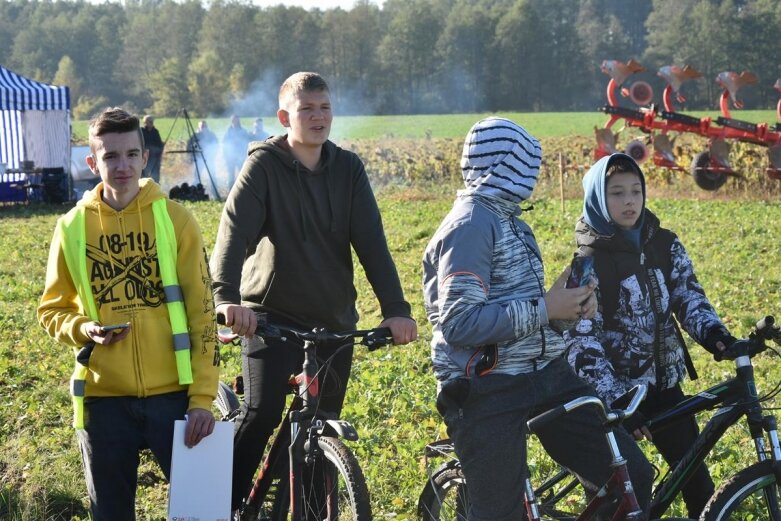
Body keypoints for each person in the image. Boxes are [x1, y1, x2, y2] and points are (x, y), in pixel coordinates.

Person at [422, 117, 653, 521]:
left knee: (630, 476)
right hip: (487, 387)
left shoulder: (513, 221)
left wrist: (568, 310)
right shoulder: (470, 226)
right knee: (500, 513)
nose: (534, 171)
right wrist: (547, 308)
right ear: (503, 163)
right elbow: (459, 323)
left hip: (547, 373)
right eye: (526, 160)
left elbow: (533, 314)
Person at [210, 71, 418, 512]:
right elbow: (233, 233)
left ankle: (303, 507)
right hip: (270, 317)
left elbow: (373, 245)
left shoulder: (348, 169)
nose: (318, 116)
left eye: (325, 107)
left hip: (333, 323)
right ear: (285, 115)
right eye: (307, 109)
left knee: (319, 426)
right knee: (263, 412)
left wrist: (396, 310)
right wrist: (225, 298)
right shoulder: (264, 166)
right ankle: (219, 504)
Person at [37, 107, 220, 520]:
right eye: (110, 156)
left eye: (131, 154)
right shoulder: (70, 228)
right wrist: (84, 328)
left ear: (145, 155)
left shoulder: (176, 219)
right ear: (92, 161)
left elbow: (202, 314)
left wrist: (202, 399)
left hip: (175, 396)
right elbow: (51, 310)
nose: (122, 166)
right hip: (104, 400)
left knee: (203, 511)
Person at [564, 152, 735, 518]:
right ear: (597, 198)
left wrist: (716, 337)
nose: (629, 202)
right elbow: (581, 342)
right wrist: (618, 398)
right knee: (626, 499)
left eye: (636, 191)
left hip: (665, 384)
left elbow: (688, 296)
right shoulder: (586, 264)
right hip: (618, 397)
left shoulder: (665, 244)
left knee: (697, 483)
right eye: (617, 193)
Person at [187, 120, 219, 188]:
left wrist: (213, 154)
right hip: (199, 159)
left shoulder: (211, 135)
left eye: (205, 126)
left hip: (209, 158)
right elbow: (189, 146)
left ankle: (215, 193)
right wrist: (192, 156)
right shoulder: (195, 136)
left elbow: (216, 145)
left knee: (212, 175)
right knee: (197, 176)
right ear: (199, 127)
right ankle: (195, 191)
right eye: (202, 126)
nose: (204, 128)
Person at [221, 115, 250, 188]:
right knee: (231, 175)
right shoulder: (228, 132)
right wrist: (225, 156)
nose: (235, 121)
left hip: (241, 156)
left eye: (236, 120)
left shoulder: (243, 131)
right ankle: (230, 191)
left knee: (242, 174)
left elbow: (247, 142)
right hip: (230, 157)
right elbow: (224, 144)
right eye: (234, 120)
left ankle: (242, 190)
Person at [140, 115, 164, 182]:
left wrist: (162, 146)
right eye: (150, 121)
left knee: (155, 175)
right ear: (145, 122)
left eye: (152, 121)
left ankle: (156, 187)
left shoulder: (155, 132)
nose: (151, 123)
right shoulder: (141, 131)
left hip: (155, 157)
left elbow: (159, 144)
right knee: (144, 175)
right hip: (145, 157)